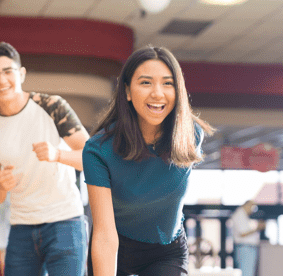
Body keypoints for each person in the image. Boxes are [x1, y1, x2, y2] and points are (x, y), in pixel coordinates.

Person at [85, 46, 213, 276]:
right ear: (127, 91)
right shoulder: (99, 150)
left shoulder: (190, 134)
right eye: (145, 82)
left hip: (167, 250)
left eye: (167, 83)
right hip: (117, 246)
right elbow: (104, 235)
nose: (157, 93)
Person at [0, 42, 90, 276]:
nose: (2, 80)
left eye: (8, 71)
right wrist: (1, 185)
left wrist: (58, 155)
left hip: (65, 221)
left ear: (21, 74)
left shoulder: (52, 107)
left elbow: (93, 159)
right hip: (21, 228)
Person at [231, 200, 265, 276]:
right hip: (245, 248)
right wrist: (257, 228)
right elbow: (243, 233)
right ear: (247, 205)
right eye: (252, 208)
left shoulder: (244, 216)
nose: (252, 210)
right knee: (246, 273)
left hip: (248, 248)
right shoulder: (239, 215)